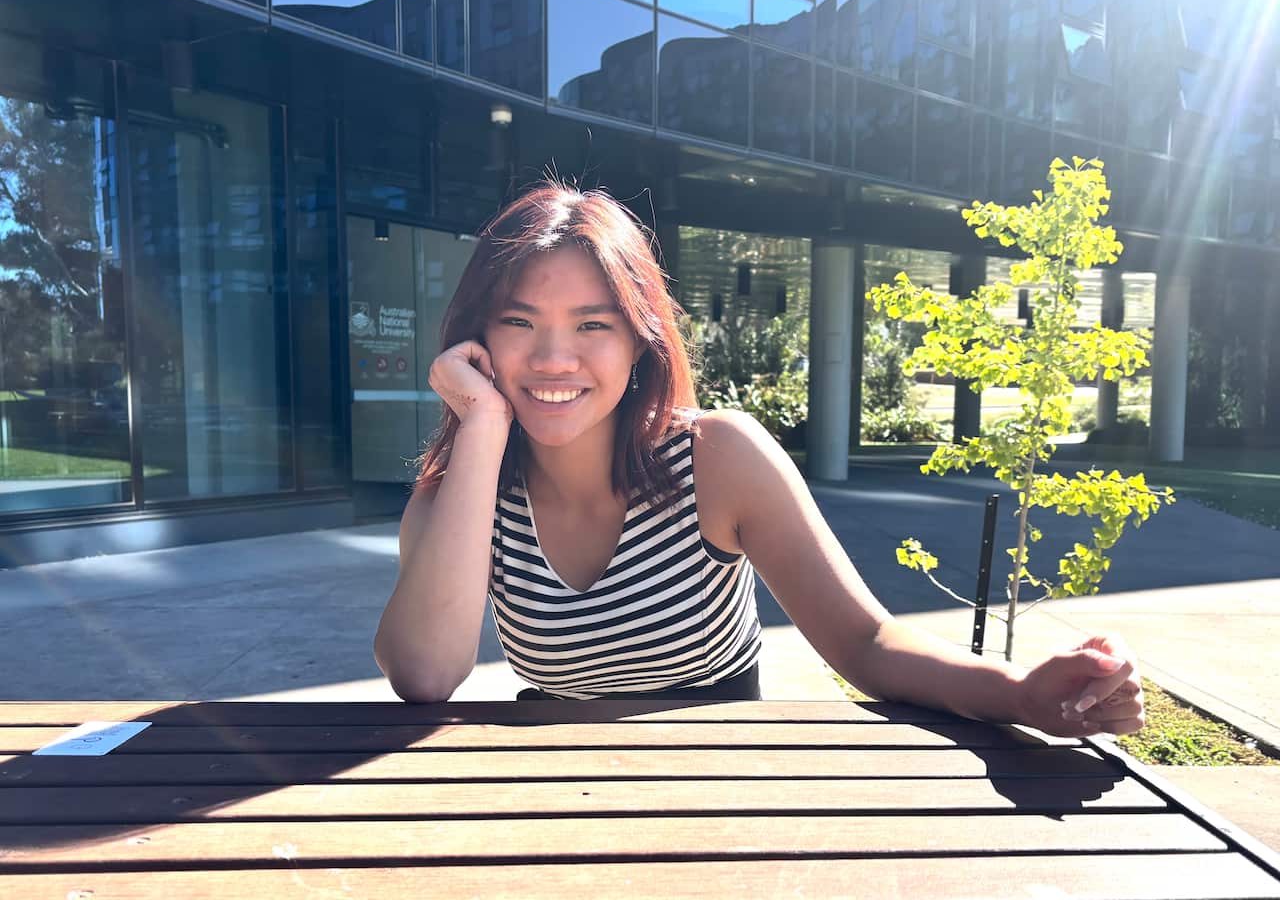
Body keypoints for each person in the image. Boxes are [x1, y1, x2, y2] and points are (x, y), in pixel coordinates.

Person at [373, 181, 1145, 738]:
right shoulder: (462, 493)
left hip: (723, 775)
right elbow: (426, 676)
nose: (552, 358)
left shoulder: (717, 455)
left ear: (640, 340)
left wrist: (1020, 691)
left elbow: (866, 644)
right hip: (547, 783)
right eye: (519, 322)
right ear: (477, 336)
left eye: (591, 326)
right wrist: (479, 426)